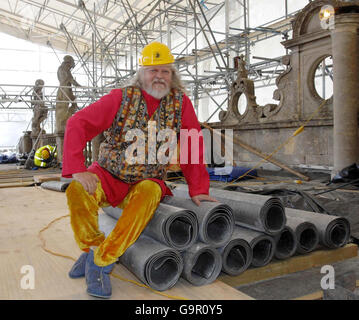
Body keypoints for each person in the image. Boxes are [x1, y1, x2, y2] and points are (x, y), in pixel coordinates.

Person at [62, 42, 217, 299]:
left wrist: (198, 189)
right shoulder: (120, 98)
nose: (159, 76)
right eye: (152, 70)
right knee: (76, 191)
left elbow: (191, 144)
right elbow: (78, 123)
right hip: (108, 176)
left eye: (165, 71)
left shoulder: (182, 104)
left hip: (146, 181)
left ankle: (101, 262)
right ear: (141, 73)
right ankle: (92, 249)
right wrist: (78, 169)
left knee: (149, 192)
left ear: (172, 75)